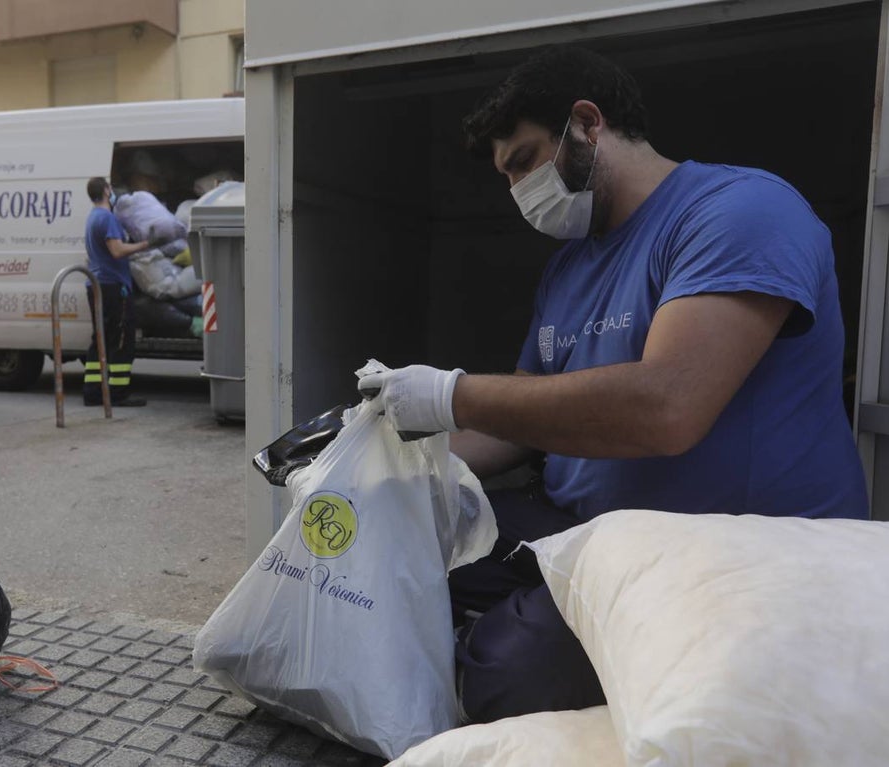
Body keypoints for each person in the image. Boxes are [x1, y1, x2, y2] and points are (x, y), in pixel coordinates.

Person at [356, 45, 870, 723]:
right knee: (389, 527)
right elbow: (516, 420)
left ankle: (511, 646)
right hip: (584, 528)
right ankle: (521, 630)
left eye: (524, 160)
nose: (518, 191)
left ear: (588, 124)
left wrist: (449, 391)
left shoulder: (741, 212)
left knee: (508, 677)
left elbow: (667, 406)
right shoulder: (568, 270)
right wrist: (378, 453)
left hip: (728, 551)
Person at [82, 177, 149, 407]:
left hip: (97, 285)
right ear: (106, 190)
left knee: (100, 339)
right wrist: (144, 245)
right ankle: (118, 394)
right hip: (113, 287)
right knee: (121, 341)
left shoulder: (92, 218)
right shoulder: (107, 218)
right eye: (110, 188)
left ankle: (92, 392)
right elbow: (117, 250)